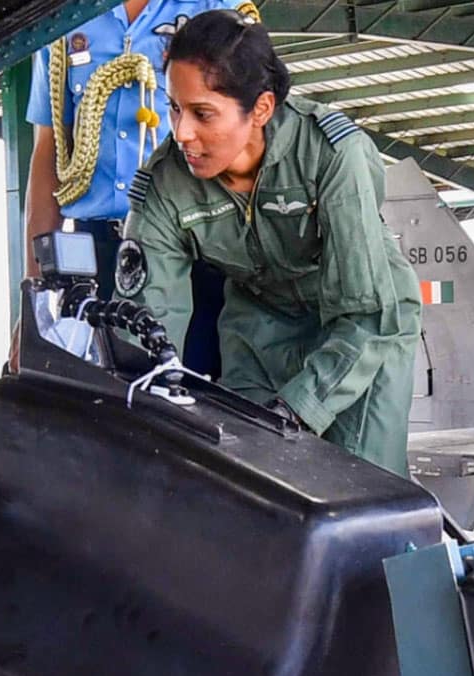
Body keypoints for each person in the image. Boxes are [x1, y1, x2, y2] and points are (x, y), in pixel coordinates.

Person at [116, 10, 421, 476]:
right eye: (175, 108)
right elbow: (145, 328)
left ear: (260, 109)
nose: (181, 133)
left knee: (362, 489)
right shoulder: (165, 185)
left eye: (202, 113)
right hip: (258, 327)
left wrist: (296, 411)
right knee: (254, 484)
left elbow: (364, 313)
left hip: (362, 329)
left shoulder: (332, 155)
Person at [23, 0, 259, 375]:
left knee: (204, 396)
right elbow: (48, 153)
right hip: (96, 259)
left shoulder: (218, 8)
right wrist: (35, 303)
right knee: (104, 402)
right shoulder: (61, 21)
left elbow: (255, 136)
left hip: (195, 252)